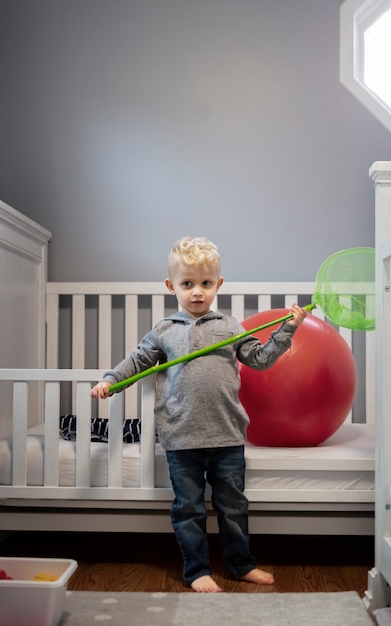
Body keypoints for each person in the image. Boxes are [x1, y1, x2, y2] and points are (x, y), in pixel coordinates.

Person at [91, 236, 307, 593]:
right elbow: (137, 361)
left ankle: (241, 565)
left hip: (226, 435)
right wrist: (111, 379)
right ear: (171, 286)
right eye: (187, 284)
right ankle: (197, 571)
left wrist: (288, 329)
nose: (197, 292)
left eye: (206, 284)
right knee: (188, 509)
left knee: (233, 507)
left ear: (218, 285)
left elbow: (261, 359)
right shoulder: (164, 331)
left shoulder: (230, 326)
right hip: (181, 436)